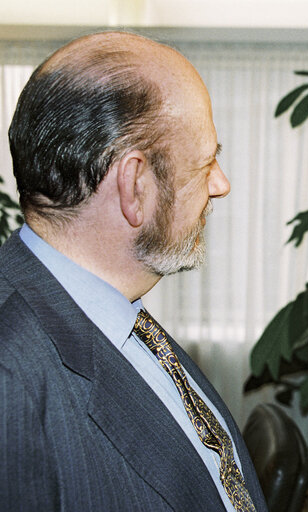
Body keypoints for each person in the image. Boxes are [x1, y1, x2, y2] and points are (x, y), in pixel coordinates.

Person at [0, 31, 268, 511]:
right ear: (135, 186)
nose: (221, 185)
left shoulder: (118, 311)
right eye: (205, 164)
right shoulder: (11, 373)